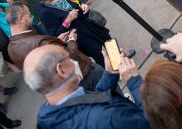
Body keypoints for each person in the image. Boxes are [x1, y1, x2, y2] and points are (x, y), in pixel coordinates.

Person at [23, 44, 151, 129]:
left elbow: (90, 101)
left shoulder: (46, 117)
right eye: (68, 59)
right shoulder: (107, 117)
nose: (73, 62)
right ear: (61, 70)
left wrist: (110, 74)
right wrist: (134, 82)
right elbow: (153, 121)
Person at [6, 1, 104, 90]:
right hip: (82, 75)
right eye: (28, 14)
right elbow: (69, 55)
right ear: (21, 18)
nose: (31, 16)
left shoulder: (11, 48)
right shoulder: (38, 41)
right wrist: (72, 40)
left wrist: (56, 40)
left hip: (61, 87)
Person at [30, 0, 111, 67]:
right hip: (82, 37)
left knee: (109, 41)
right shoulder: (45, 13)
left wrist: (83, 3)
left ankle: (120, 61)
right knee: (100, 54)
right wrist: (67, 20)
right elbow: (55, 35)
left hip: (91, 23)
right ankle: (114, 73)